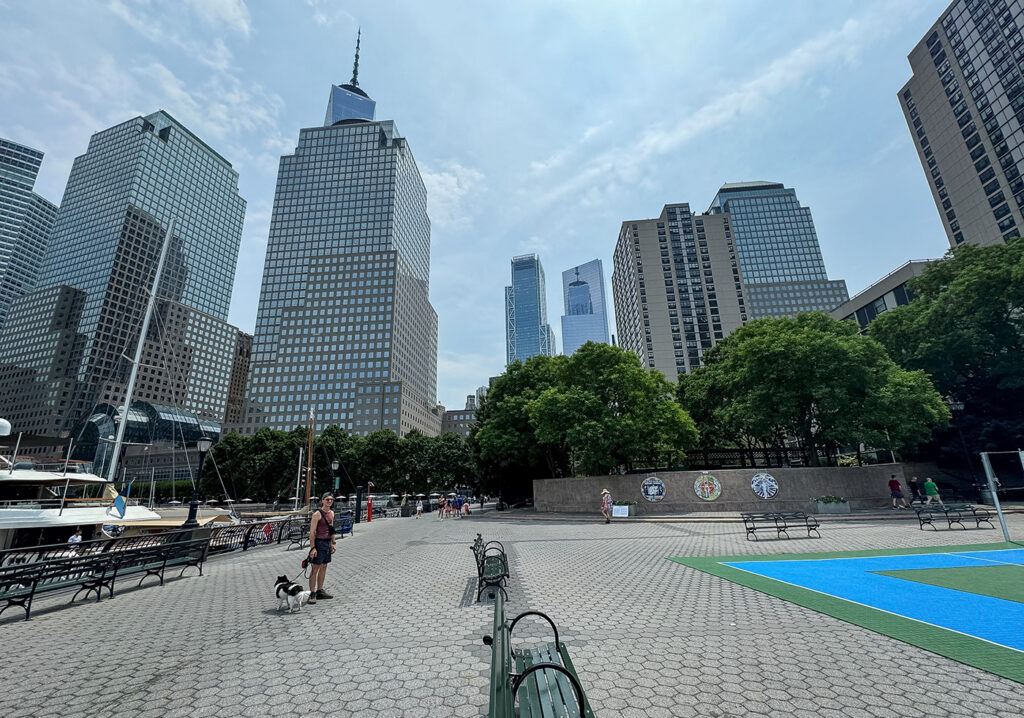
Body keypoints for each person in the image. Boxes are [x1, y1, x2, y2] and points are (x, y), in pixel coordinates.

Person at [307, 492, 337, 604]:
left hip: (327, 542)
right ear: (322, 500)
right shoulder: (317, 514)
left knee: (324, 566)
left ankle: (320, 590)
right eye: (327, 499)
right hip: (319, 543)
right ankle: (312, 593)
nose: (329, 501)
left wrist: (333, 543)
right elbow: (312, 532)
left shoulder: (332, 513)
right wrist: (312, 548)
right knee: (315, 567)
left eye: (331, 500)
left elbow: (332, 529)